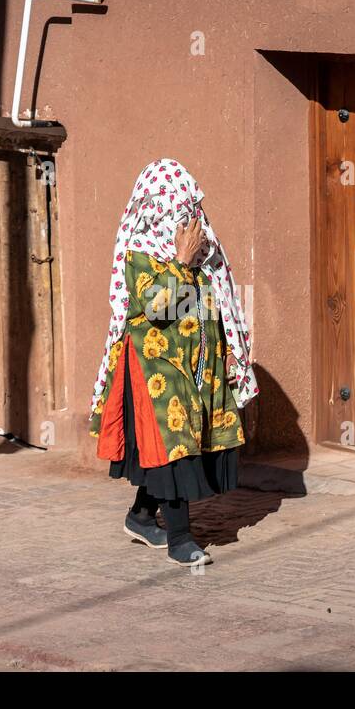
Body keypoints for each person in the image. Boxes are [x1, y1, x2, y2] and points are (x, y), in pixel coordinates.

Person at [88, 158, 258, 567]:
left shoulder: (203, 252)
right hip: (154, 370)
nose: (188, 224)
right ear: (156, 213)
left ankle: (142, 515)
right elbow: (159, 308)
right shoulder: (138, 255)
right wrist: (181, 262)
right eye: (178, 215)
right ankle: (181, 538)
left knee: (171, 447)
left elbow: (216, 304)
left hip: (196, 370)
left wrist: (231, 351)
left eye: (190, 213)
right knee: (172, 445)